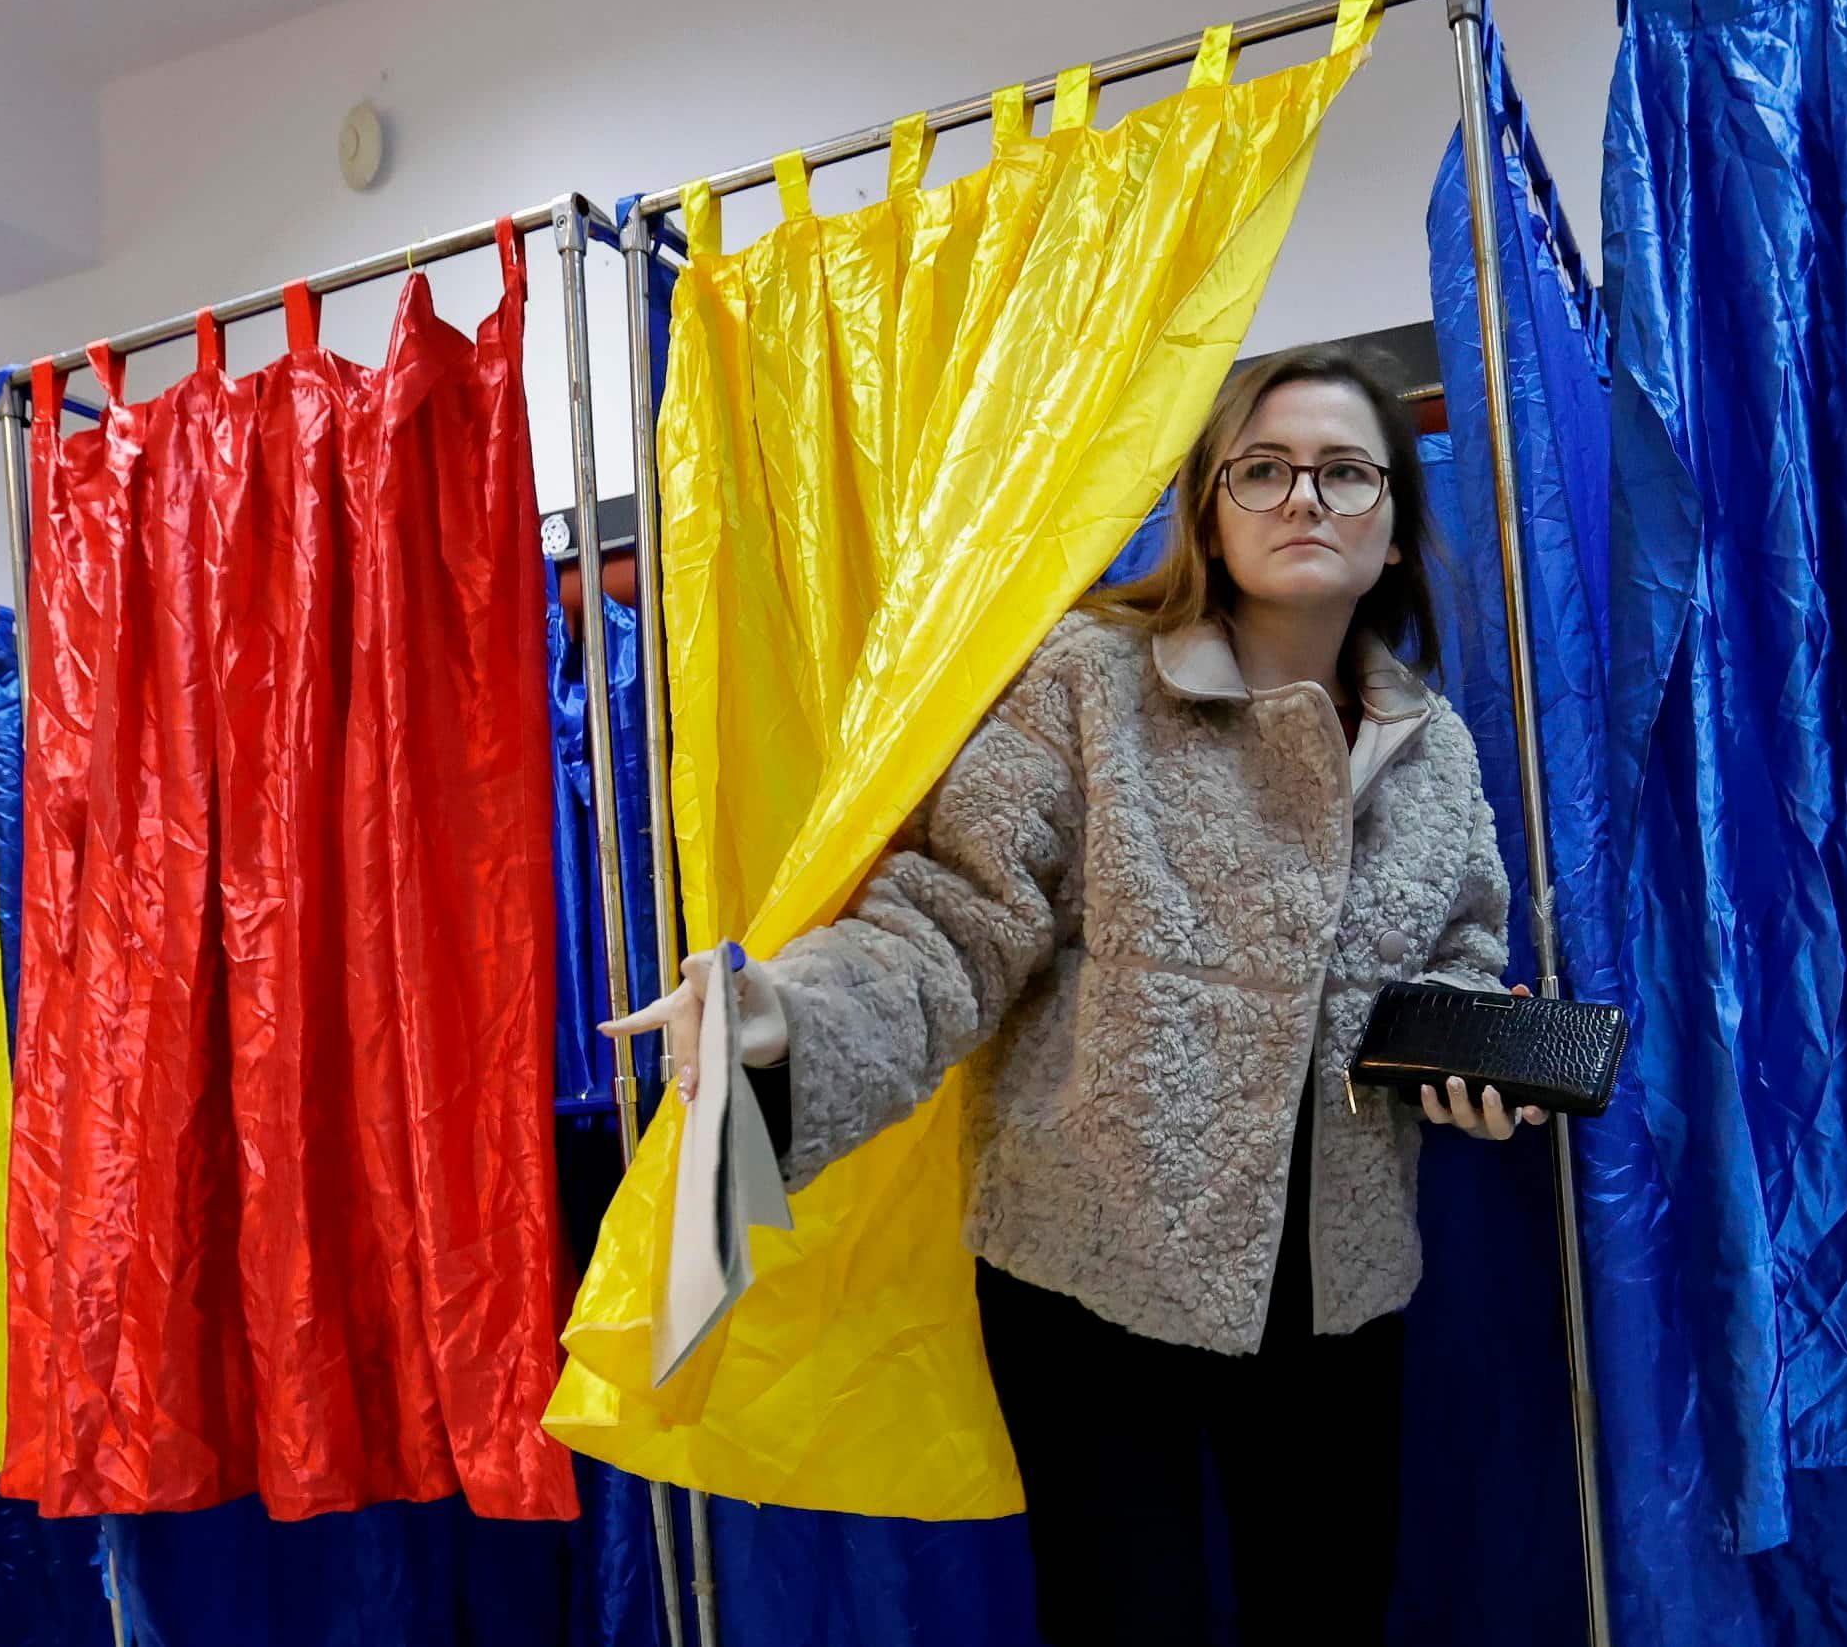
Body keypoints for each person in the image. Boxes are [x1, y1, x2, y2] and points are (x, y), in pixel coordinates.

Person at [607, 349, 1539, 1645]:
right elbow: (948, 924)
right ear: (1208, 508)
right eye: (1264, 469)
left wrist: (1472, 1051)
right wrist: (788, 1016)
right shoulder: (1087, 684)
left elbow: (1455, 947)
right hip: (1091, 1271)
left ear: (1391, 527)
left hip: (1337, 1276)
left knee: (1328, 1612)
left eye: (1344, 471)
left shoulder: (1429, 746)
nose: (1305, 498)